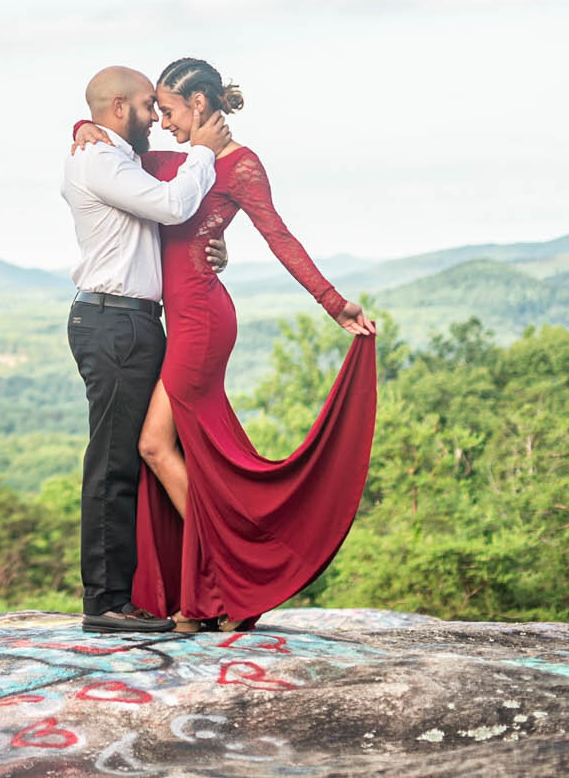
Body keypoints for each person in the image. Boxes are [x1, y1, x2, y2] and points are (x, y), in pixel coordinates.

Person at [71, 57, 378, 632]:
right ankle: (213, 589)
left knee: (155, 447)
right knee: (184, 453)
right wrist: (79, 129)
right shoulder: (181, 161)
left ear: (200, 106)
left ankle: (226, 581)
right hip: (176, 318)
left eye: (167, 111)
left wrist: (334, 304)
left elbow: (280, 236)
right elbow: (114, 159)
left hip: (202, 322)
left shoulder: (238, 166)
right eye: (153, 111)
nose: (160, 122)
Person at [60, 65, 234, 634]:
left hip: (133, 322)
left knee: (138, 456)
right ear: (117, 109)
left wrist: (218, 246)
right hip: (113, 322)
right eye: (144, 108)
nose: (156, 122)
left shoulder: (113, 155)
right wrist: (204, 154)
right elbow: (171, 206)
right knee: (114, 462)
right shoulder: (101, 160)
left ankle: (164, 590)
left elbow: (176, 222)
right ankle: (106, 603)